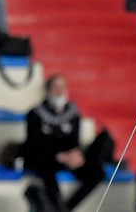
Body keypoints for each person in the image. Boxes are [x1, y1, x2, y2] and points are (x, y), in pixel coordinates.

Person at [25, 74, 105, 212]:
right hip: (46, 157)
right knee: (46, 171)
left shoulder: (73, 113)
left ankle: (66, 208)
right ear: (47, 90)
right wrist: (58, 156)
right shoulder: (35, 114)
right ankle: (55, 206)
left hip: (67, 157)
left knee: (98, 172)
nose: (59, 91)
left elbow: (74, 141)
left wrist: (75, 155)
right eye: (55, 87)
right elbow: (33, 144)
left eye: (62, 87)